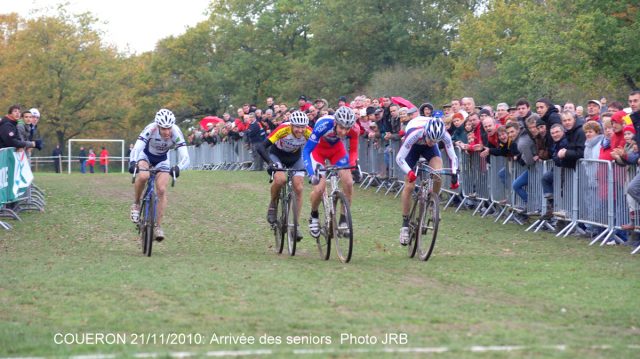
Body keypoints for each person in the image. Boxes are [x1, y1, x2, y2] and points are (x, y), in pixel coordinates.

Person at [395, 116, 459, 245]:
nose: (432, 141)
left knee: (437, 172)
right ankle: (405, 225)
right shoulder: (415, 133)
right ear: (426, 132)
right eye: (430, 138)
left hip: (429, 152)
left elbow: (453, 156)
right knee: (409, 186)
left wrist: (454, 173)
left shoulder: (443, 135)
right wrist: (410, 172)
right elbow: (399, 158)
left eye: (436, 140)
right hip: (412, 149)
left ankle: (432, 201)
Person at [129, 109, 190, 241]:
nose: (167, 132)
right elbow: (137, 148)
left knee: (161, 190)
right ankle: (136, 203)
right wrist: (133, 162)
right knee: (144, 176)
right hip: (145, 156)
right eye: (163, 129)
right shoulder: (151, 129)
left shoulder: (175, 132)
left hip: (162, 159)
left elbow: (185, 156)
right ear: (158, 126)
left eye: (169, 128)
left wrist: (178, 167)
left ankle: (158, 226)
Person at [303, 106, 360, 238]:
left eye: (347, 128)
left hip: (337, 151)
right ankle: (314, 215)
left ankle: (343, 219)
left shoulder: (354, 130)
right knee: (319, 188)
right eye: (341, 128)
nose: (344, 132)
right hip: (318, 151)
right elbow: (306, 151)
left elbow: (353, 151)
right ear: (335, 123)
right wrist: (311, 174)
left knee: (349, 182)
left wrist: (353, 166)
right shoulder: (323, 125)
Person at [256, 111, 312, 241]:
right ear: (291, 125)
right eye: (297, 127)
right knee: (280, 180)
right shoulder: (283, 129)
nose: (300, 130)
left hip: (295, 157)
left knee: (299, 187)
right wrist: (269, 163)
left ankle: (295, 225)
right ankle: (273, 204)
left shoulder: (309, 132)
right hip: (277, 155)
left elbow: (318, 148)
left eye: (302, 127)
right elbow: (261, 147)